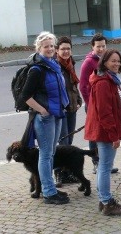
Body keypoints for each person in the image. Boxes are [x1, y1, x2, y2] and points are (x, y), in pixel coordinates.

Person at [20, 31, 70, 204]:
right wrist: (42, 110)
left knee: (51, 153)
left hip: (57, 115)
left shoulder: (53, 64)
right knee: (46, 155)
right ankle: (49, 193)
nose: (49, 49)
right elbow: (25, 96)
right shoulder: (37, 69)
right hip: (45, 118)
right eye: (46, 46)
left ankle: (50, 189)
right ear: (39, 48)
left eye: (51, 46)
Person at [84, 49, 121, 216]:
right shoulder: (103, 82)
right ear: (104, 62)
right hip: (105, 131)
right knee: (105, 166)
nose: (116, 63)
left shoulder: (110, 79)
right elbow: (105, 112)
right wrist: (114, 135)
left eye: (118, 61)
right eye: (113, 61)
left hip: (104, 130)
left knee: (104, 165)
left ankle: (104, 200)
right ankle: (106, 202)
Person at [79, 33, 118, 174]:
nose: (101, 49)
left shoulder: (107, 60)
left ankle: (106, 162)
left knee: (106, 133)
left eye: (103, 46)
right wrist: (90, 105)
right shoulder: (88, 63)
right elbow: (83, 86)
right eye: (98, 46)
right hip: (93, 105)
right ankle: (96, 162)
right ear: (92, 47)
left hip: (105, 102)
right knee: (95, 135)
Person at [54, 36, 83, 187]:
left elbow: (73, 85)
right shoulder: (55, 66)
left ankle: (67, 173)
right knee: (62, 142)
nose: (66, 51)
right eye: (63, 49)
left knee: (69, 141)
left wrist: (78, 100)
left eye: (68, 49)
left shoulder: (70, 64)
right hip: (60, 110)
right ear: (57, 50)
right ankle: (59, 173)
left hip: (72, 107)